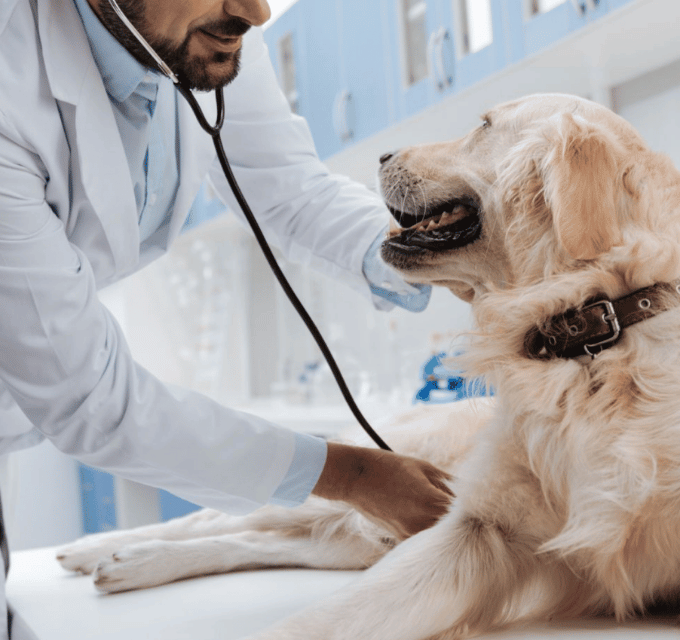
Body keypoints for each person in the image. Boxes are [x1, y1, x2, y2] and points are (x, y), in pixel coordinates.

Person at [0, 0, 454, 636]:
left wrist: (437, 255)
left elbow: (291, 191)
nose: (256, 13)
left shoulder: (201, 31)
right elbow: (93, 400)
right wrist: (354, 475)